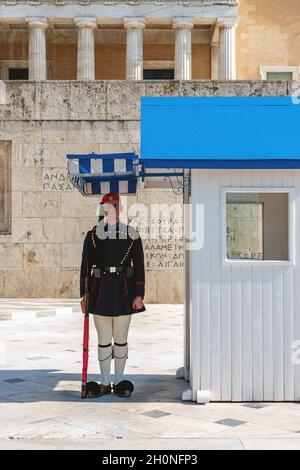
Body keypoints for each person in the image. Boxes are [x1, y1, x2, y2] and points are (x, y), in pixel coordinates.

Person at [79, 192, 146, 397]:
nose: (111, 209)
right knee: (104, 338)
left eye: (115, 206)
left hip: (124, 291)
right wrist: (84, 293)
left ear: (120, 209)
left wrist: (139, 295)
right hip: (100, 291)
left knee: (121, 338)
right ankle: (105, 382)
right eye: (107, 206)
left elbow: (140, 266)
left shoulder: (131, 234)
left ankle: (119, 381)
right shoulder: (93, 235)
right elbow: (85, 266)